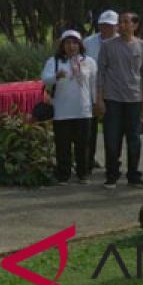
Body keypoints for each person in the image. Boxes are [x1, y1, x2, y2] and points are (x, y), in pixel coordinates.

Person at [96, 11, 143, 188]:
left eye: (126, 22)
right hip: (112, 98)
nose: (122, 25)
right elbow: (100, 73)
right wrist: (99, 99)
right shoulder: (107, 46)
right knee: (112, 139)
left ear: (135, 25)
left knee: (134, 139)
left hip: (134, 99)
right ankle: (112, 174)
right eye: (120, 22)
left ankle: (134, 175)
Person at [41, 30, 97, 185]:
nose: (71, 46)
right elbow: (45, 80)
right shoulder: (55, 61)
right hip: (62, 110)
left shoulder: (89, 61)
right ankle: (63, 174)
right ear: (62, 45)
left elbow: (94, 84)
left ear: (79, 45)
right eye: (67, 43)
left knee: (83, 144)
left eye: (74, 43)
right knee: (63, 144)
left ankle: (83, 173)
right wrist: (55, 77)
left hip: (83, 109)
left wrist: (96, 102)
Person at [83, 9, 119, 169]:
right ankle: (88, 160)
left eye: (110, 25)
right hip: (91, 89)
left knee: (112, 129)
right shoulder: (88, 42)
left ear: (116, 26)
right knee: (90, 129)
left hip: (113, 90)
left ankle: (112, 161)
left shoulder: (121, 42)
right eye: (104, 25)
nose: (107, 28)